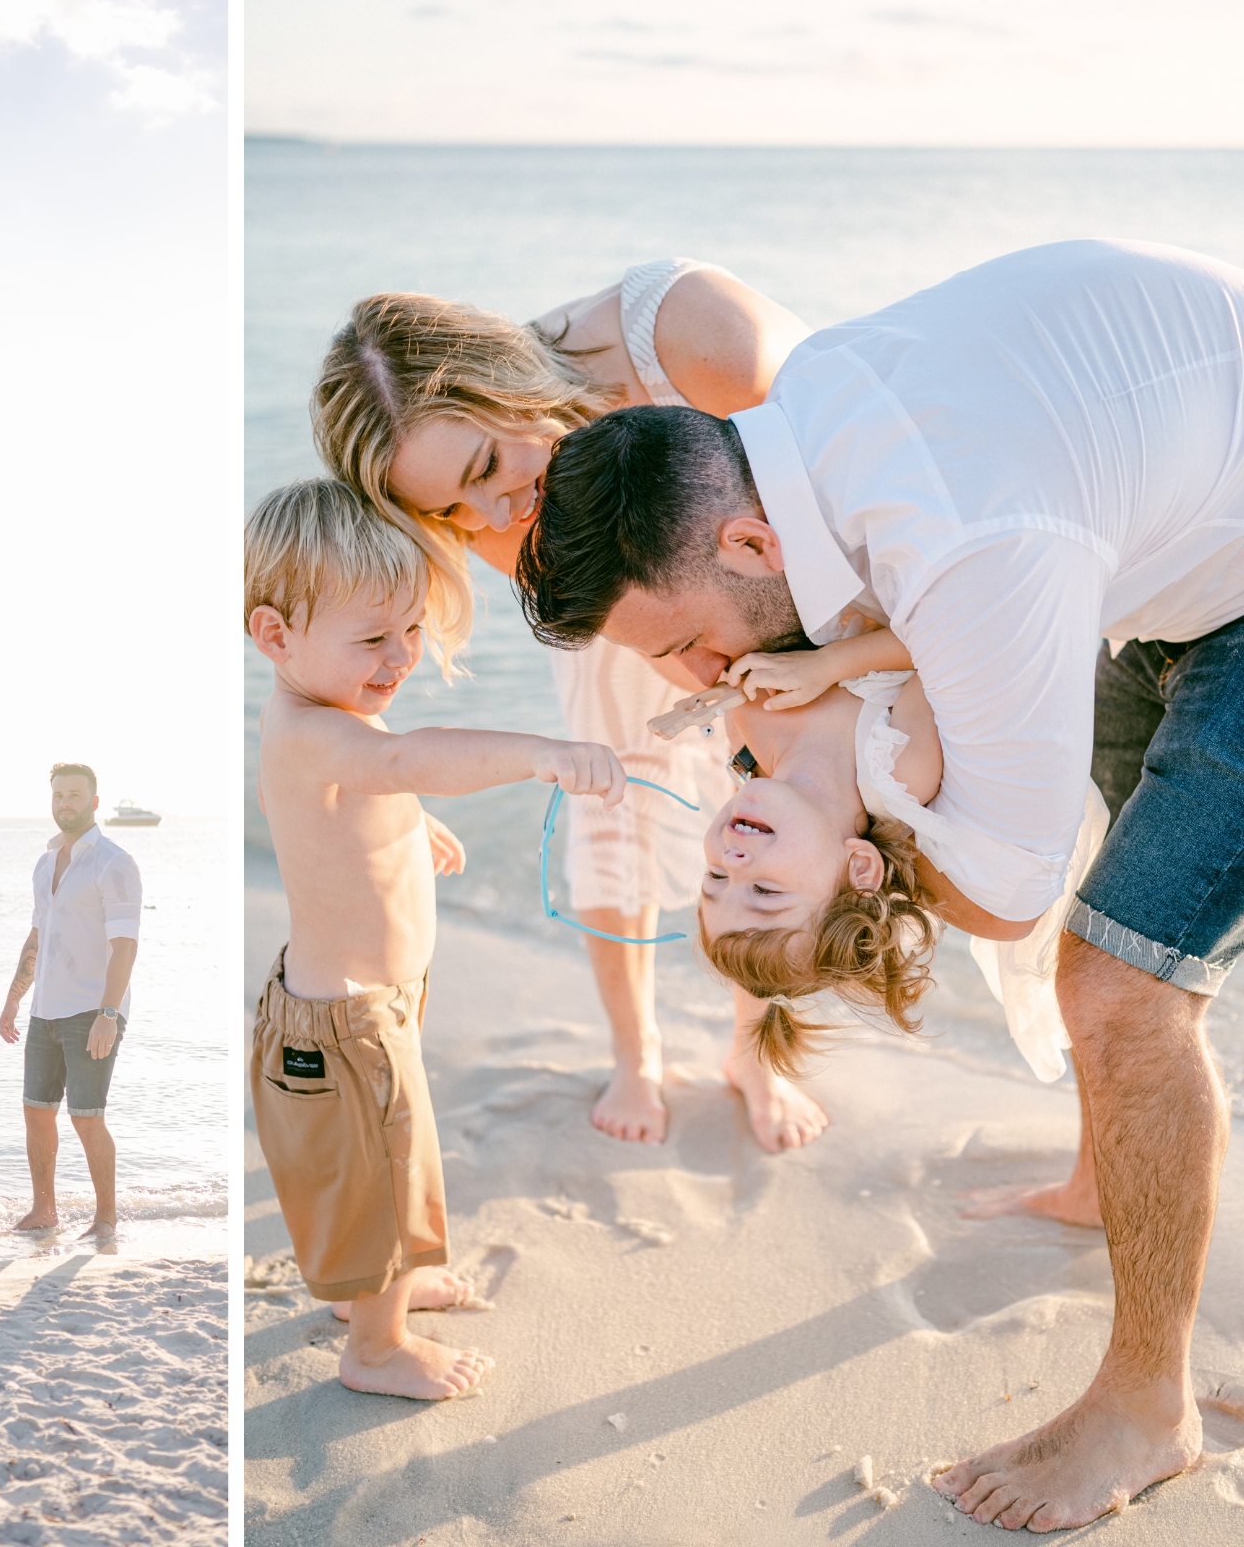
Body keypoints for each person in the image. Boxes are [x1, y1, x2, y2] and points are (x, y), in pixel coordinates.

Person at [511, 238, 1244, 1530]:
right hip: (1160, 563)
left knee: (1120, 986)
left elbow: (1009, 894)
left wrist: (865, 862)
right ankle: (1106, 1178)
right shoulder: (800, 409)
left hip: (1212, 580)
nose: (694, 683)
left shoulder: (962, 548)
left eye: (685, 643)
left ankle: (1147, 1405)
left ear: (745, 537)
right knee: (1150, 931)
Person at [311, 264, 828, 1152]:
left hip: (776, 578)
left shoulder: (687, 337)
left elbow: (848, 486)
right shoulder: (489, 506)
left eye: (486, 466)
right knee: (613, 812)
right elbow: (583, 604)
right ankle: (638, 1052)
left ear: (505, 381)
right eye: (451, 510)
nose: (497, 511)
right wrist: (687, 660)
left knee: (772, 815)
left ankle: (755, 1046)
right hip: (621, 618)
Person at [246, 478, 626, 1400]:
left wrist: (412, 825)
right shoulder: (310, 729)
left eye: (410, 630)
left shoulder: (334, 710)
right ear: (275, 636)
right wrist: (541, 754)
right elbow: (400, 760)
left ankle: (386, 1288)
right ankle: (375, 1348)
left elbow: (371, 791)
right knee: (381, 1178)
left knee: (391, 1168)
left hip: (377, 1002)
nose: (400, 656)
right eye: (373, 638)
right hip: (347, 1022)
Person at [700, 628, 1107, 1087]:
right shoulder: (898, 772)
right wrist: (827, 666)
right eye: (764, 890)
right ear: (859, 867)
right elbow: (949, 644)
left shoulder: (745, 742)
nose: (733, 859)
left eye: (715, 878)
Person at [0, 762, 141, 1242]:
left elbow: (125, 945)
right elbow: (38, 935)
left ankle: (105, 1218)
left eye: (75, 795)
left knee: (86, 1115)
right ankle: (44, 1210)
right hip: (45, 1011)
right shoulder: (45, 863)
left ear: (94, 802)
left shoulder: (113, 863)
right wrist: (14, 999)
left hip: (92, 1010)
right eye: (59, 795)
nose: (66, 803)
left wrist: (108, 1013)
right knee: (36, 1111)